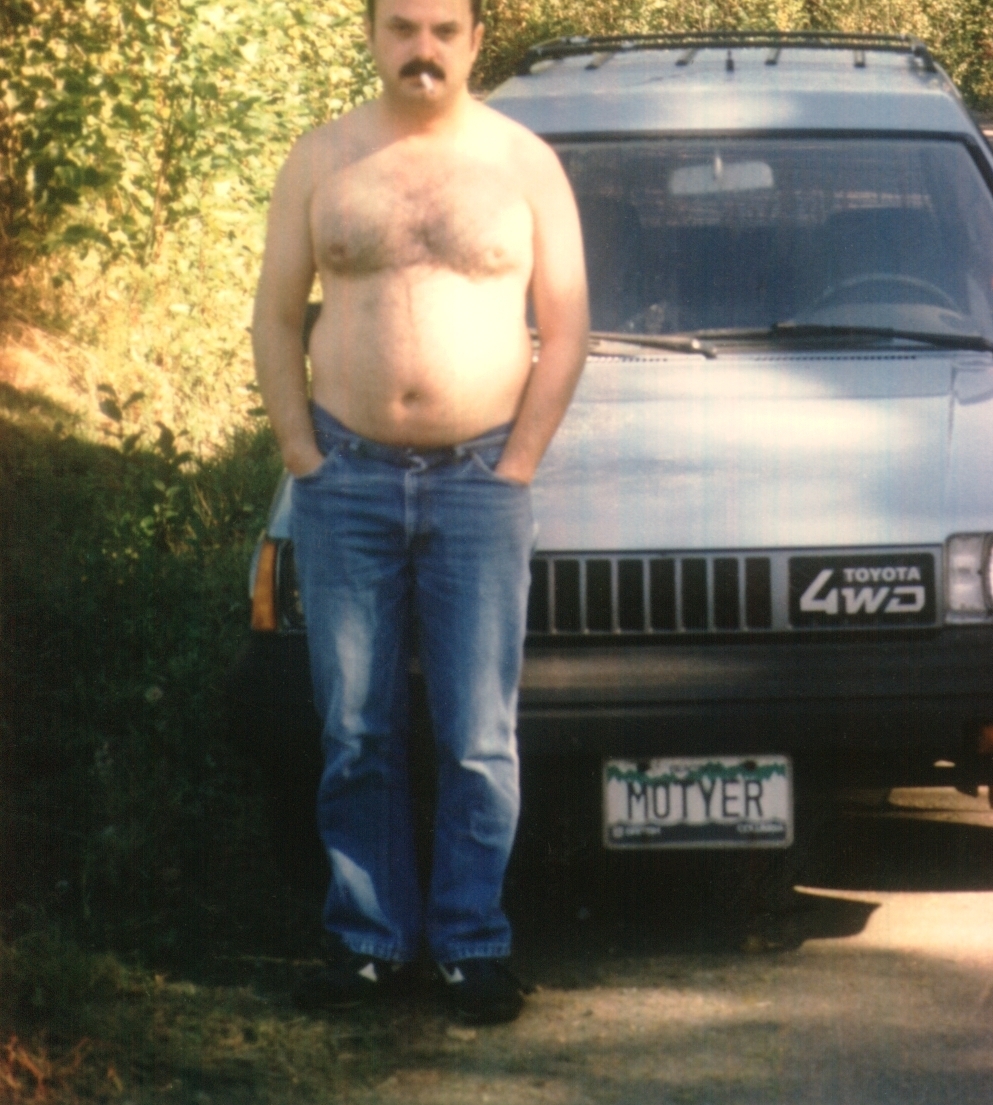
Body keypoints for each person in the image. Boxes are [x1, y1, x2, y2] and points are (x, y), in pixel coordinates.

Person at [250, 0, 588, 1023]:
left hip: (479, 480)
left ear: (477, 39)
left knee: (478, 732)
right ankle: (367, 942)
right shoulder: (323, 158)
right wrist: (302, 456)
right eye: (402, 26)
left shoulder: (525, 164)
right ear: (370, 34)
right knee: (355, 725)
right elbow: (274, 312)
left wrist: (517, 461)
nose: (423, 48)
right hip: (344, 479)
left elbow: (568, 326)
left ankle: (470, 944)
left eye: (444, 28)